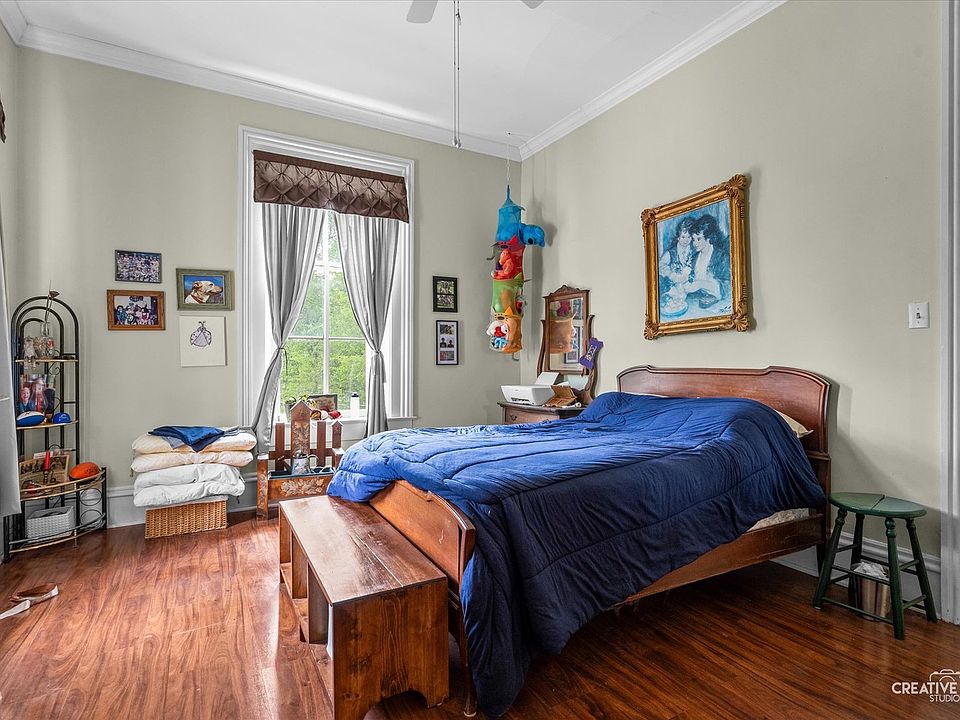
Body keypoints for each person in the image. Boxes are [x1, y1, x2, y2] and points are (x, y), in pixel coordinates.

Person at [683, 214, 730, 308]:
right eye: (693, 239)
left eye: (698, 239)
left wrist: (701, 284)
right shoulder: (694, 258)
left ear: (708, 238)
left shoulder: (722, 257)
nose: (695, 243)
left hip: (718, 304)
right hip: (697, 301)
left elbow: (728, 289)